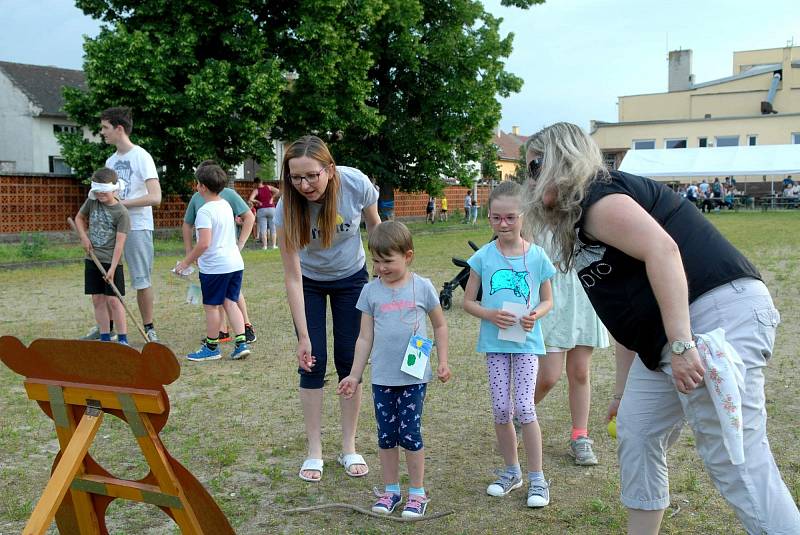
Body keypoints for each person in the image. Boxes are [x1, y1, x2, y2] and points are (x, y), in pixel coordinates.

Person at [523, 122, 799, 534]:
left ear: (563, 160)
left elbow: (664, 250)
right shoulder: (582, 222)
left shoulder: (599, 197)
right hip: (668, 336)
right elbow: (626, 318)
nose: (530, 181)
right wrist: (620, 391)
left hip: (712, 315)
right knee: (637, 430)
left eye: (536, 166)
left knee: (735, 458)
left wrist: (684, 343)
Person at [274, 135, 380, 482]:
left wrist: (385, 273)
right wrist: (302, 336)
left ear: (330, 170)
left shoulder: (355, 184)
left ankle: (349, 446)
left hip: (352, 278)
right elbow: (291, 276)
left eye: (312, 176)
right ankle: (314, 450)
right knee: (312, 361)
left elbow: (376, 227)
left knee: (350, 361)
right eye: (296, 178)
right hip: (309, 282)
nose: (304, 185)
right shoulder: (285, 208)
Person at [337, 221, 451, 518]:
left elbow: (440, 324)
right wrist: (354, 374)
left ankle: (417, 492)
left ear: (408, 256)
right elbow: (364, 337)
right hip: (383, 378)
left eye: (388, 261)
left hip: (413, 377)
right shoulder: (370, 292)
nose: (380, 268)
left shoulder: (422, 287)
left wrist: (442, 361)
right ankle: (391, 490)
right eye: (376, 261)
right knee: (386, 435)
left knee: (410, 433)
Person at [463, 180, 556, 508]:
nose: (503, 224)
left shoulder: (538, 257)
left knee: (525, 407)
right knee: (502, 409)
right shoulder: (483, 257)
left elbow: (547, 300)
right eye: (496, 218)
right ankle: (511, 471)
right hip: (495, 343)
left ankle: (537, 478)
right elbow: (467, 301)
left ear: (523, 216)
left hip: (527, 343)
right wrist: (489, 314)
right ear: (489, 217)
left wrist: (535, 315)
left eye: (510, 218)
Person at [534, 232, 609, 466]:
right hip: (553, 298)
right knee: (549, 376)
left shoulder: (591, 214)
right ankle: (519, 414)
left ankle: (580, 437)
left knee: (580, 372)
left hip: (584, 295)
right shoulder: (538, 218)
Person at [94, 106, 161, 343]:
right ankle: (107, 327)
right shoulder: (110, 160)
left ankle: (148, 328)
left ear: (119, 129)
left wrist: (124, 203)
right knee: (106, 276)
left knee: (141, 279)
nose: (102, 132)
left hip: (138, 226)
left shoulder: (142, 156)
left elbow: (155, 197)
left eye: (105, 127)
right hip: (112, 229)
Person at [176, 163, 251, 362]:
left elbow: (204, 244)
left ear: (201, 187)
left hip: (216, 267)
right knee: (230, 302)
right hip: (235, 263)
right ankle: (241, 344)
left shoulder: (205, 212)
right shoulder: (225, 205)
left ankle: (211, 347)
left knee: (211, 306)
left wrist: (185, 262)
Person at [74, 167, 130, 345]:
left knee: (114, 300)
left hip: (111, 262)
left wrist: (113, 268)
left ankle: (122, 339)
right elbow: (79, 218)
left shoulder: (122, 213)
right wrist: (84, 237)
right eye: (97, 192)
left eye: (103, 192)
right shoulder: (92, 202)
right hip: (92, 259)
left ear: (115, 190)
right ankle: (105, 336)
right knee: (97, 299)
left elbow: (120, 244)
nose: (99, 195)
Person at [248, 177, 281, 250]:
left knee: (263, 229)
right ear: (261, 182)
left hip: (261, 210)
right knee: (273, 228)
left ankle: (265, 246)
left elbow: (250, 199)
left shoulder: (256, 190)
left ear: (256, 183)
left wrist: (257, 201)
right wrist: (272, 198)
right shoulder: (268, 187)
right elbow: (278, 191)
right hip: (272, 209)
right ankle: (274, 245)